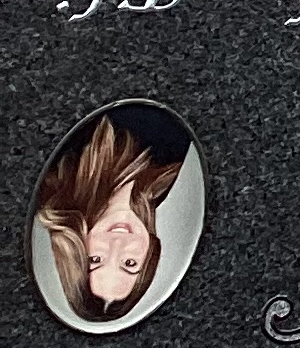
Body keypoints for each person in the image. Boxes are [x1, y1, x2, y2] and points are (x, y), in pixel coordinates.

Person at [34, 107, 187, 323]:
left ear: (75, 244)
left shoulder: (67, 158)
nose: (117, 243)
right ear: (151, 252)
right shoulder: (172, 171)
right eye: (130, 263)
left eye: (96, 259)